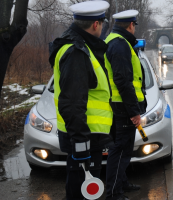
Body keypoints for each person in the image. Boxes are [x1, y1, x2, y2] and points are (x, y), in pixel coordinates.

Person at [48, 1, 113, 199]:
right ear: (96, 24)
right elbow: (72, 102)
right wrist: (80, 144)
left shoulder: (82, 47)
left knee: (83, 191)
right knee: (81, 192)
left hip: (86, 136)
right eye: (102, 24)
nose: (102, 28)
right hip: (84, 137)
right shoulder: (77, 52)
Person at [104, 10, 147, 200]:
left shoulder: (115, 41)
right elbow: (122, 81)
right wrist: (134, 111)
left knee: (125, 148)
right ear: (131, 25)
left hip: (120, 105)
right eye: (134, 25)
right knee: (120, 150)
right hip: (122, 106)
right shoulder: (119, 45)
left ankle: (121, 183)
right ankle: (114, 193)